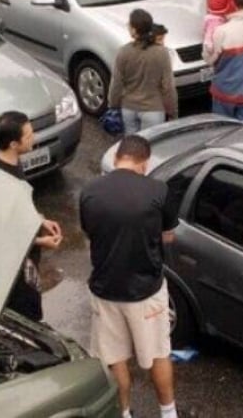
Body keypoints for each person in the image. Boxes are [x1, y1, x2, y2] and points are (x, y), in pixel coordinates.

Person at [79, 135, 179, 418]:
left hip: (105, 290)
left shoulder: (90, 191)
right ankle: (168, 413)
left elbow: (89, 231)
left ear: (116, 159)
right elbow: (168, 235)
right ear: (144, 163)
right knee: (158, 353)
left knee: (115, 359)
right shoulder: (158, 191)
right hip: (146, 291)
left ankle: (123, 413)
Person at [0, 111, 63, 322]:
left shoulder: (11, 162)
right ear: (13, 144)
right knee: (28, 314)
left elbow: (20, 209)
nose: (34, 139)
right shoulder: (1, 180)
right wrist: (41, 241)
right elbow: (2, 232)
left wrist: (40, 220)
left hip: (28, 256)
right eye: (29, 136)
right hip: (18, 266)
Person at [108, 9, 177, 134]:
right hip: (154, 109)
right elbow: (168, 86)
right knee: (151, 147)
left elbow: (116, 84)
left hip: (129, 107)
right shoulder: (161, 53)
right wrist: (172, 112)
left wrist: (113, 104)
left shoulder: (123, 52)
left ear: (134, 30)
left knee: (132, 146)